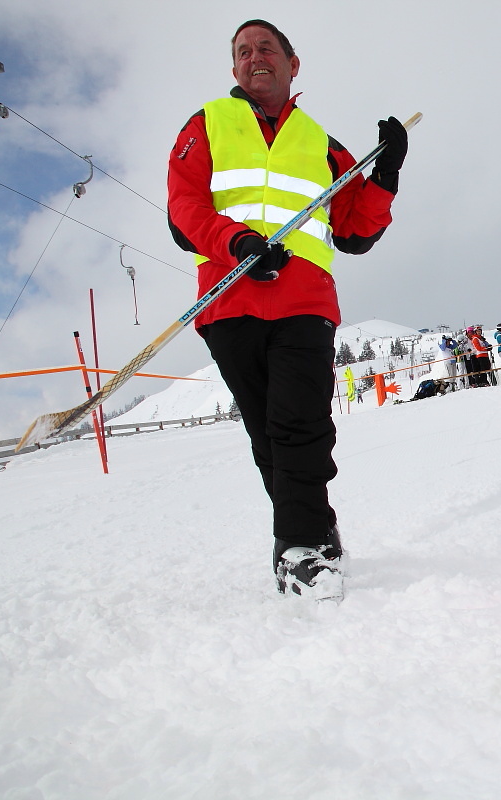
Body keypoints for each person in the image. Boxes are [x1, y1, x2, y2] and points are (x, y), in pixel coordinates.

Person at [167, 19, 409, 599]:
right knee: (266, 436)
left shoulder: (323, 145)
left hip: (304, 303)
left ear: (292, 64)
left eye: (267, 48)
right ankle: (318, 528)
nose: (256, 57)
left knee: (299, 425)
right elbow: (184, 210)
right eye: (244, 51)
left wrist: (387, 173)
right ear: (234, 69)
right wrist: (238, 243)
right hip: (228, 300)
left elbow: (354, 229)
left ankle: (297, 550)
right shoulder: (206, 126)